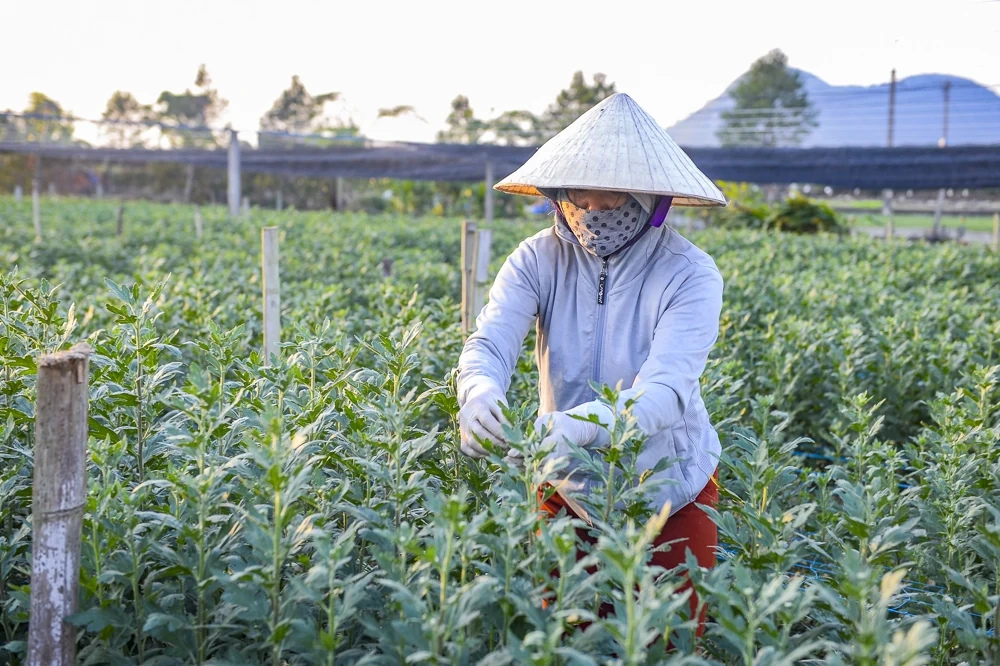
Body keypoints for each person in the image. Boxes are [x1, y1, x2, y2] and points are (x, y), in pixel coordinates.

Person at [455, 93, 727, 637]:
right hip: (567, 491)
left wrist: (564, 428)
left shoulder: (690, 274)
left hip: (668, 491)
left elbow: (665, 395)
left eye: (614, 195)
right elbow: (491, 341)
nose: (596, 209)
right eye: (582, 194)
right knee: (565, 637)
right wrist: (477, 390)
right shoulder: (535, 259)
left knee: (666, 641)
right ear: (558, 194)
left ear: (653, 197)